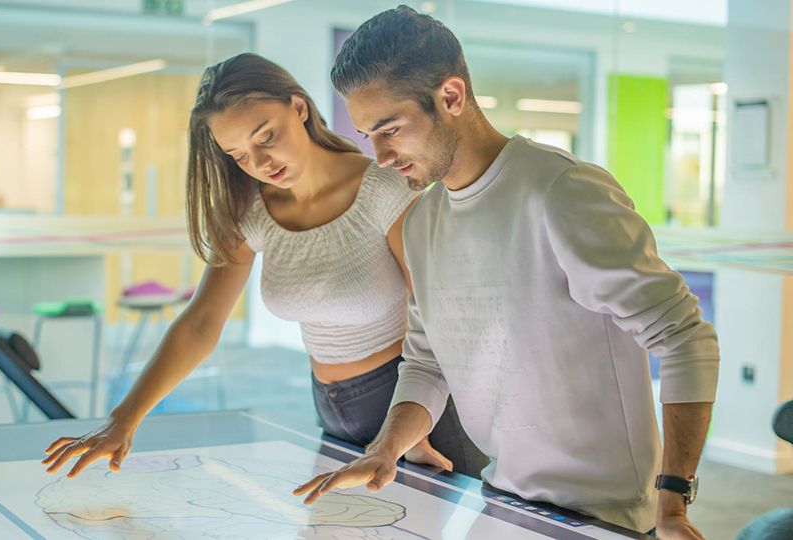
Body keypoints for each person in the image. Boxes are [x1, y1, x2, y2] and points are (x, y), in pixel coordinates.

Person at [294, 7, 719, 540]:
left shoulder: (561, 190)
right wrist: (385, 448)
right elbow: (426, 363)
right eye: (366, 135)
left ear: (451, 97)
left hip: (600, 517)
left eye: (390, 130)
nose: (378, 156)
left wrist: (673, 505)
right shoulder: (424, 219)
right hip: (501, 501)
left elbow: (684, 337)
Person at [41, 53, 487, 480]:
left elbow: (435, 318)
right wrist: (124, 419)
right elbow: (201, 323)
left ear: (298, 107)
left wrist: (407, 427)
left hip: (416, 410)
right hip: (332, 407)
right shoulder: (250, 212)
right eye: (238, 155)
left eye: (265, 137)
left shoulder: (387, 188)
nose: (259, 164)